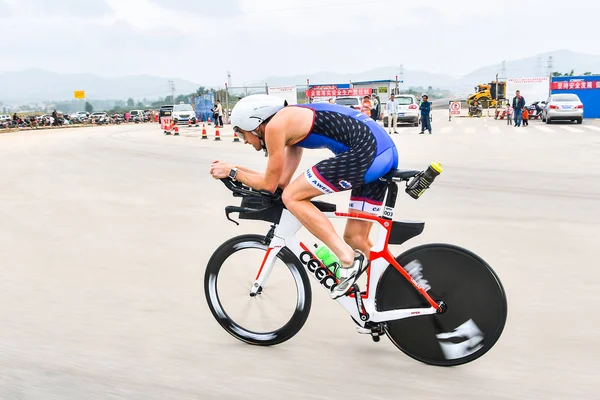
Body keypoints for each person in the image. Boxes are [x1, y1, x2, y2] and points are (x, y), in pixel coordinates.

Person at [209, 94, 399, 299]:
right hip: (382, 153)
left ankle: (347, 259)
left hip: (367, 153)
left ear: (254, 124)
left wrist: (232, 172)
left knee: (292, 197)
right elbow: (279, 182)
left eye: (241, 134)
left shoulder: (274, 127)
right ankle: (399, 293)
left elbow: (271, 186)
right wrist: (237, 169)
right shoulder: (290, 129)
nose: (244, 141)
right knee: (356, 238)